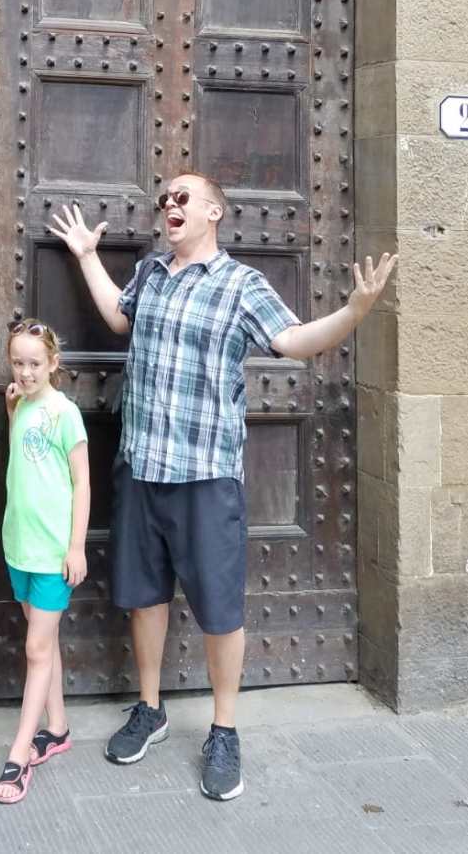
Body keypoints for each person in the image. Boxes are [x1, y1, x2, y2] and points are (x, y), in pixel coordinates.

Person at [49, 173, 396, 802]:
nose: (170, 205)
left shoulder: (241, 284)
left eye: (183, 197)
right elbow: (119, 317)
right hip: (142, 465)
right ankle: (150, 709)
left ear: (214, 211)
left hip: (206, 475)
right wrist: (88, 256)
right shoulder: (151, 273)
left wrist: (354, 312)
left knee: (219, 610)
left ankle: (225, 730)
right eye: (165, 199)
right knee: (145, 599)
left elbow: (293, 341)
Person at [0, 319, 91, 804]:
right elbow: (22, 463)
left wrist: (76, 546)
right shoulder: (24, 405)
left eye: (34, 363)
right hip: (20, 546)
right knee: (44, 641)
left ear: (53, 363)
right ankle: (58, 727)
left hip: (52, 552)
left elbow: (82, 482)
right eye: (18, 363)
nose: (25, 372)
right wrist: (12, 411)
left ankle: (20, 754)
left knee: (35, 648)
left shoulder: (65, 413)